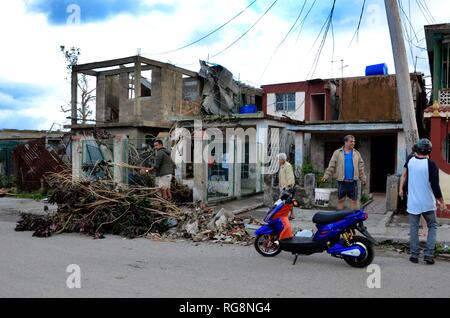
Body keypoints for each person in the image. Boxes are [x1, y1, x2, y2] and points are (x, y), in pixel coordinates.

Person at [399, 138, 446, 265]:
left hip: (413, 203)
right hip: (427, 203)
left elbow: (404, 176)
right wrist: (441, 201)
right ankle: (428, 255)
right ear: (429, 151)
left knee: (414, 228)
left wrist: (401, 189)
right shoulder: (431, 165)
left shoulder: (410, 161)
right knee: (432, 226)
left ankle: (414, 255)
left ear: (417, 149)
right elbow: (435, 186)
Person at [321, 135, 367, 211]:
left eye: (354, 141)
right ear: (346, 142)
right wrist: (325, 177)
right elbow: (331, 166)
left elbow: (361, 168)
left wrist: (363, 179)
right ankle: (339, 217)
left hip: (353, 182)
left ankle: (352, 219)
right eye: (351, 141)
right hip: (342, 181)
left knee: (354, 201)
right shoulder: (337, 153)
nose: (353, 143)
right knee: (340, 200)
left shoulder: (356, 153)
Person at [277, 153, 296, 220]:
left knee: (286, 201)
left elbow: (290, 176)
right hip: (283, 186)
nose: (278, 161)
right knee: (288, 201)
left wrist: (289, 186)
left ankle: (287, 214)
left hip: (287, 187)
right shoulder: (282, 166)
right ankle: (291, 214)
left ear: (282, 160)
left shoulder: (287, 166)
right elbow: (281, 176)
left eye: (279, 159)